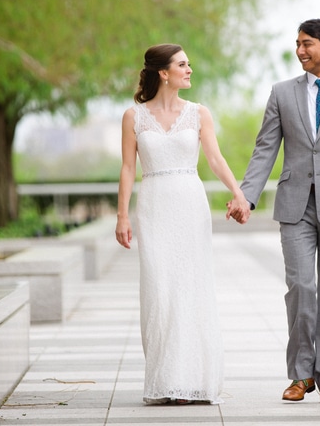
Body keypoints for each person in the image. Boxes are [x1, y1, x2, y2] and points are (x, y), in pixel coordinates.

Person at [227, 19, 320, 404]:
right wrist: (246, 196)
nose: (300, 51)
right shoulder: (282, 93)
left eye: (307, 44)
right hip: (294, 204)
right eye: (297, 43)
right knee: (301, 288)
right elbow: (265, 148)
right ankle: (300, 375)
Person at [116, 43, 248, 405]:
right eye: (182, 64)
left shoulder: (198, 113)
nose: (189, 70)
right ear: (163, 72)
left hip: (190, 205)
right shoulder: (134, 117)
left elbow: (215, 158)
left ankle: (193, 381)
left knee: (191, 289)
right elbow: (129, 168)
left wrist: (238, 193)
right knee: (160, 291)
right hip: (155, 205)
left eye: (189, 64)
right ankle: (165, 380)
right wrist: (122, 215)